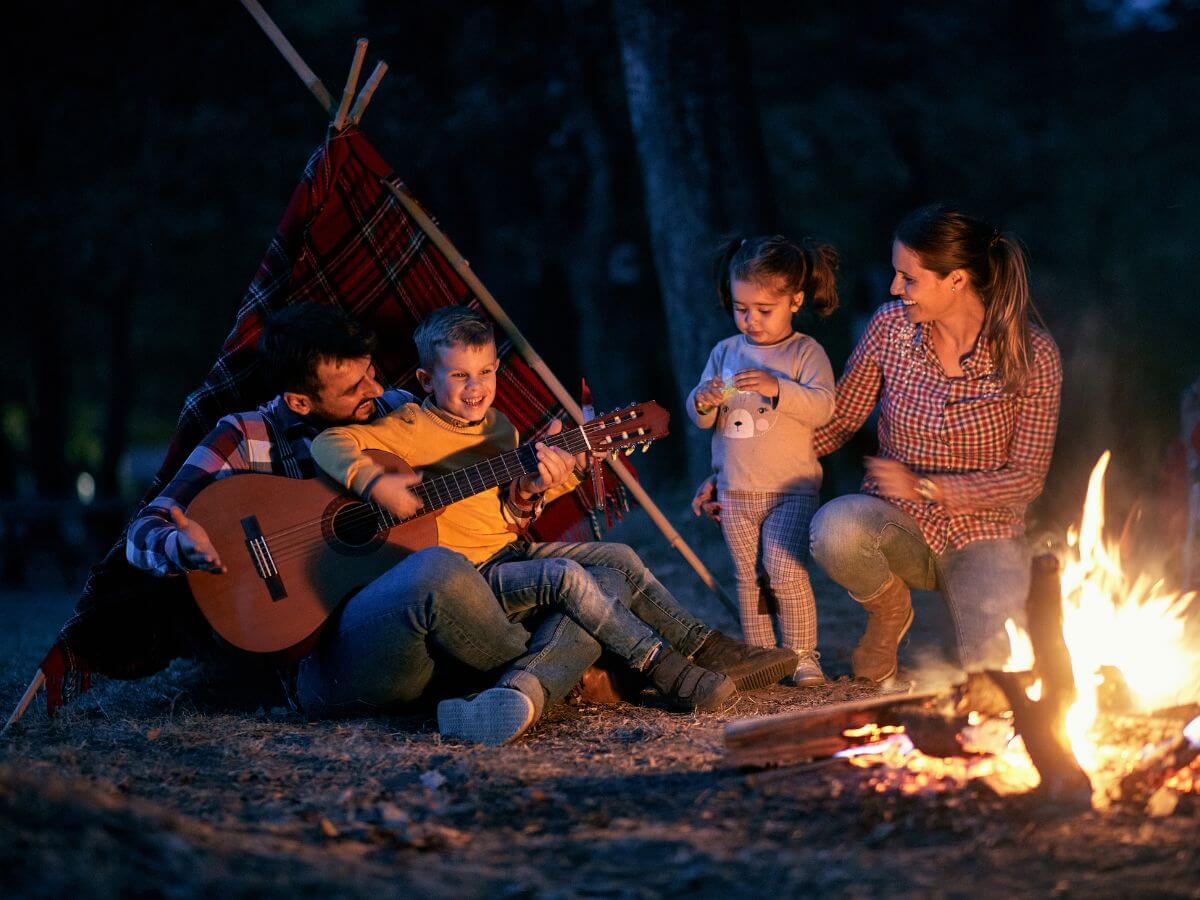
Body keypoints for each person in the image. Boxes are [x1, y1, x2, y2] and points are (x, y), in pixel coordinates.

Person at [312, 306, 798, 741]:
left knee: (617, 561)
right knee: (568, 577)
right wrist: (373, 483)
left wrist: (558, 477)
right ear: (425, 380)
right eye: (459, 376)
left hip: (507, 556)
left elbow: (509, 511)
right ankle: (665, 670)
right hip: (465, 578)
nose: (475, 387)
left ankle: (707, 647)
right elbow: (329, 442)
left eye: (485, 372)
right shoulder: (409, 427)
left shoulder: (502, 428)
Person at [126, 303, 604, 738]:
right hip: (327, 661)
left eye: (371, 372)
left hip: (420, 625)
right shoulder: (244, 436)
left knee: (599, 576)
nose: (376, 390)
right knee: (444, 573)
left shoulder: (396, 410)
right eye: (354, 387)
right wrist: (180, 548)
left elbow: (482, 512)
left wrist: (528, 487)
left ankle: (529, 682)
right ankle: (563, 672)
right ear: (299, 402)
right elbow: (146, 528)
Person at [686, 236, 838, 687]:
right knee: (748, 577)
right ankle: (763, 658)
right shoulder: (724, 352)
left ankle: (802, 655)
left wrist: (778, 388)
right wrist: (704, 399)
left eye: (763, 310)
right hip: (735, 489)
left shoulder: (804, 353)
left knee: (783, 566)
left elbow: (823, 407)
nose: (750, 320)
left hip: (789, 488)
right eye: (741, 308)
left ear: (795, 300)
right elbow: (700, 418)